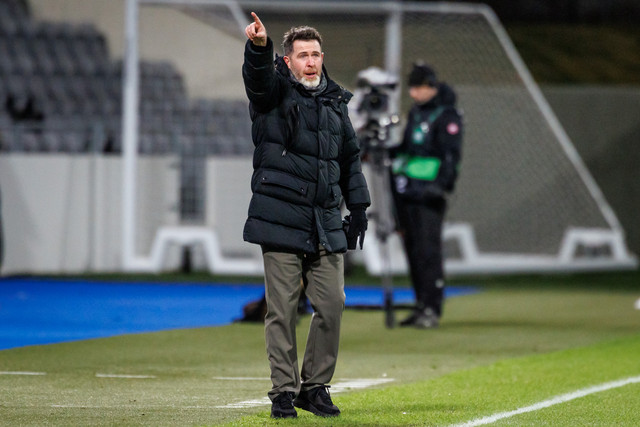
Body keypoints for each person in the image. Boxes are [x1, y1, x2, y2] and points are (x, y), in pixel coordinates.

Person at [242, 12, 370, 419]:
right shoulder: (274, 93)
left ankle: (314, 387)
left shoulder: (336, 101)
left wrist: (359, 207)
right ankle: (283, 390)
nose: (311, 62)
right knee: (282, 310)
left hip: (325, 220)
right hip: (280, 218)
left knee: (332, 305)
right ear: (288, 60)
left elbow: (349, 159)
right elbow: (257, 80)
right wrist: (258, 48)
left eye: (315, 54)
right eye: (303, 55)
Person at [390, 62, 463, 329]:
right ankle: (421, 304)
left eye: (419, 87)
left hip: (429, 193)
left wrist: (442, 185)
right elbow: (408, 148)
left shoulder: (447, 115)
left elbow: (451, 155)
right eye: (412, 87)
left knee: (428, 251)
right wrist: (385, 152)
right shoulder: (417, 112)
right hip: (408, 190)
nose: (414, 93)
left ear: (431, 86)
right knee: (413, 251)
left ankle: (432, 307)